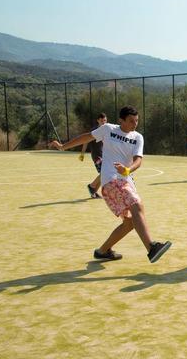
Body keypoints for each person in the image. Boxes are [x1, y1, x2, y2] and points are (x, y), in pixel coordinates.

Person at [50, 105, 172, 263]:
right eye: (131, 121)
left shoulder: (138, 137)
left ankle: (102, 251)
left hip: (126, 181)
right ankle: (151, 248)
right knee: (137, 205)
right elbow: (86, 137)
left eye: (136, 121)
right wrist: (62, 147)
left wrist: (128, 170)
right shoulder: (108, 129)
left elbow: (138, 160)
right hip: (110, 180)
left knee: (129, 223)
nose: (134, 124)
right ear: (121, 120)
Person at [79, 112, 108, 198]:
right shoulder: (94, 131)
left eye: (105, 120)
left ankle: (94, 192)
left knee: (104, 175)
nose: (104, 122)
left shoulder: (105, 130)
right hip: (97, 156)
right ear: (98, 120)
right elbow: (85, 141)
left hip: (104, 155)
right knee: (105, 173)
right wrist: (82, 154)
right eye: (102, 121)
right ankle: (91, 186)